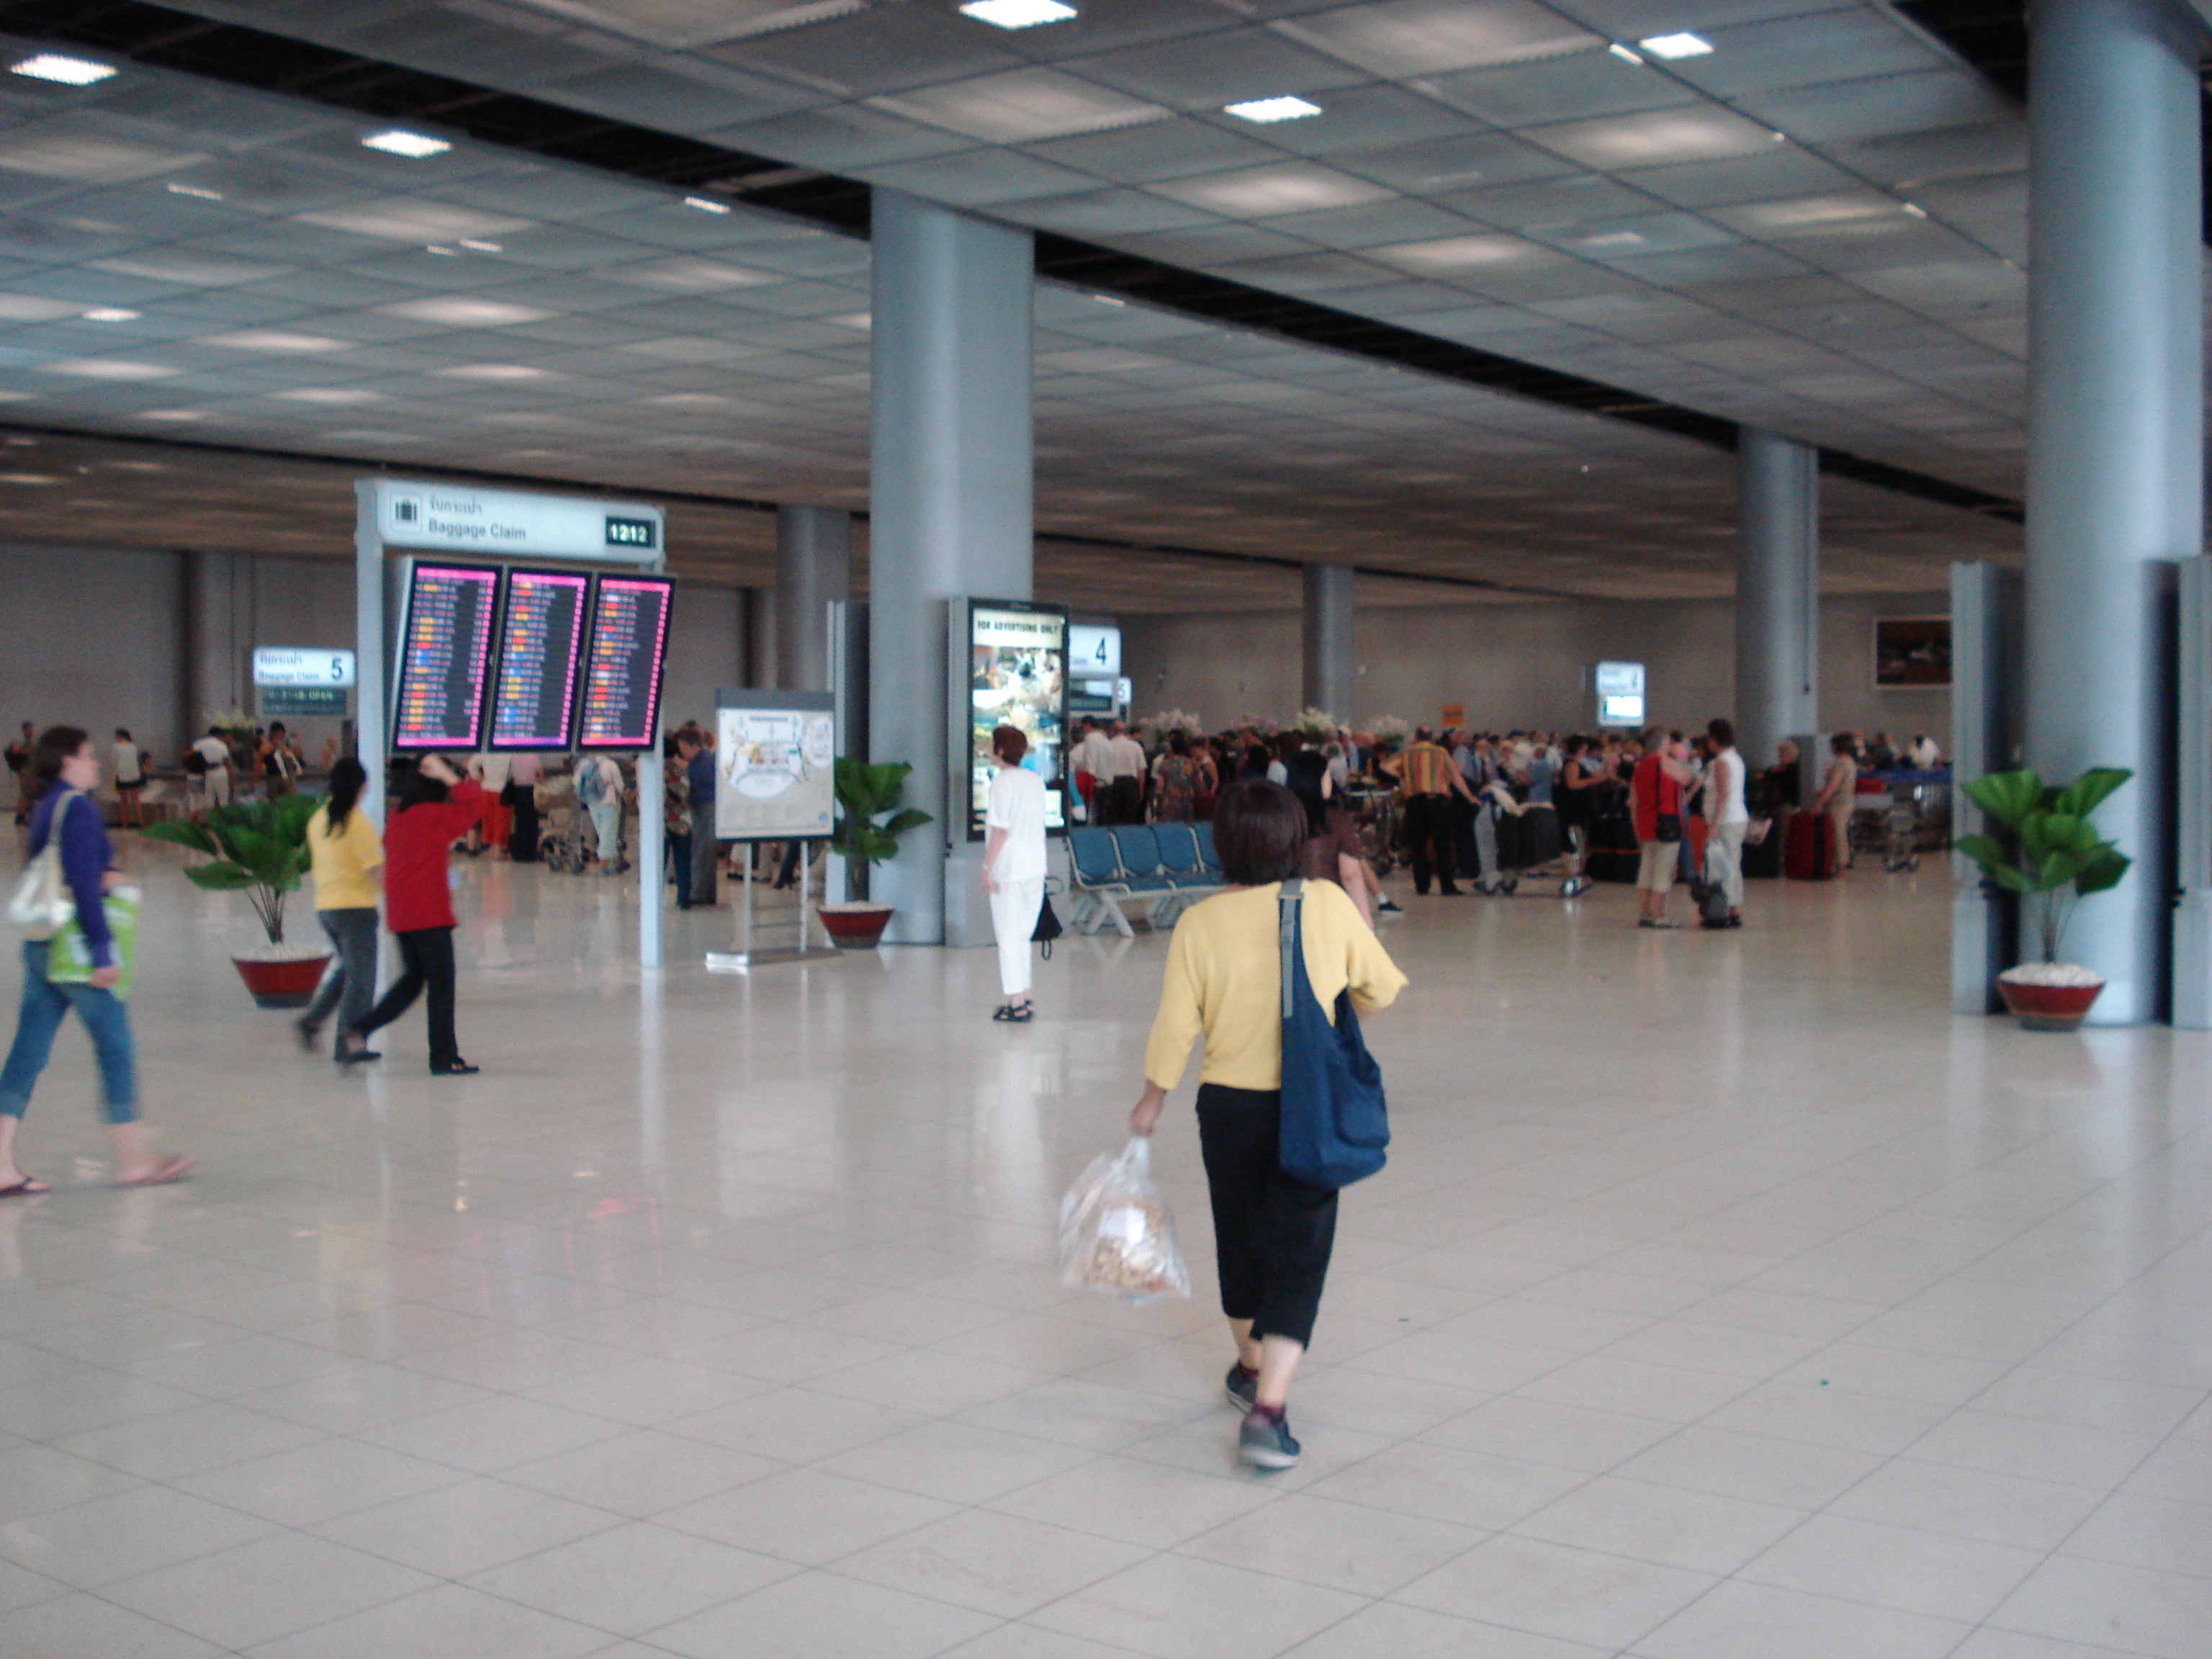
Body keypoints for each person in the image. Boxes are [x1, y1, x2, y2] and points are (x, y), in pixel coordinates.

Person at [1130, 781, 1406, 1470]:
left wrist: (1151, 1099)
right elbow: (1382, 987)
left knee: (1242, 1239)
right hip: (1307, 1104)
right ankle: (1269, 1410)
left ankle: (1250, 1368)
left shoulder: (1199, 923)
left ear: (1222, 844)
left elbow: (1176, 1025)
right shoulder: (1324, 904)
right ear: (1293, 840)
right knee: (1300, 1250)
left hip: (1228, 1108)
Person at [0, 727, 192, 1192]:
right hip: (77, 951)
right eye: (89, 757)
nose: (97, 765)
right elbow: (83, 886)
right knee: (116, 1049)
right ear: (67, 761)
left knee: (28, 1052)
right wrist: (103, 951)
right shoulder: (80, 810)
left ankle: (1, 1162)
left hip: (43, 946)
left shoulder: (48, 807)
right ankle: (133, 1161)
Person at [341, 755, 482, 1075]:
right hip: (429, 914)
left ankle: (360, 1029)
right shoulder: (431, 815)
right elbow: (474, 807)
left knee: (413, 981)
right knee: (442, 987)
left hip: (403, 914)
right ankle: (444, 1057)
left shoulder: (398, 818)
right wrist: (449, 775)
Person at [296, 757, 382, 1062]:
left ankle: (312, 1020)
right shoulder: (356, 821)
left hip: (327, 909)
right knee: (362, 980)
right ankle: (347, 1045)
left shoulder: (318, 819)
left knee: (349, 970)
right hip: (356, 909)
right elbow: (374, 869)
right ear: (360, 786)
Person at [981, 724, 1048, 1022]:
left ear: (999, 750)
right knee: (1022, 936)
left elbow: (1000, 831)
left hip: (1008, 868)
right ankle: (1026, 997)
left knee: (1008, 937)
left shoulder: (1001, 783)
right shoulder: (1035, 781)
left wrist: (986, 868)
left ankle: (1016, 1002)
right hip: (1035, 866)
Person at [1398, 727, 1476, 896]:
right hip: (1438, 802)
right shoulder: (1440, 752)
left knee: (1418, 846)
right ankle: (1447, 886)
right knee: (1443, 845)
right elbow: (1455, 775)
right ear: (1431, 737)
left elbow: (1387, 767)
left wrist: (1405, 778)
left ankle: (1422, 886)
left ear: (1416, 737)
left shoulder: (1406, 753)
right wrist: (1469, 796)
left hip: (1414, 802)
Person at [1631, 727, 1695, 928]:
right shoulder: (1666, 762)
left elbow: (1633, 801)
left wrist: (1636, 829)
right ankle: (1659, 914)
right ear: (1661, 743)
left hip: (1645, 822)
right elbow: (1687, 779)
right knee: (1663, 871)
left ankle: (1645, 912)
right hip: (1666, 821)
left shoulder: (1639, 766)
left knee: (1647, 869)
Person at [1703, 719, 1748, 930]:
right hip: (1736, 818)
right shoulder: (1735, 758)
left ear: (1714, 739)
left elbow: (1723, 794)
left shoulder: (1722, 761)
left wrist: (1714, 823)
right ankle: (1733, 908)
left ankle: (1727, 909)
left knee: (1724, 867)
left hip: (1726, 820)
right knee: (1731, 863)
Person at [680, 725, 716, 907]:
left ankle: (699, 893)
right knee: (706, 852)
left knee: (701, 851)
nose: (681, 751)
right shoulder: (705, 760)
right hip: (705, 808)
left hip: (703, 808)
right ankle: (707, 892)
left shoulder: (701, 764)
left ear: (690, 745)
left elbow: (697, 789)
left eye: (683, 747)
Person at [1815, 732, 1860, 871]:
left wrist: (1820, 802)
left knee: (1837, 833)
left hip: (1839, 803)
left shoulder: (1841, 763)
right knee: (1841, 832)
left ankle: (1841, 864)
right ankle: (1841, 863)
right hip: (1847, 801)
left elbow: (1833, 786)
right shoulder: (1850, 762)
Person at [577, 752, 624, 873]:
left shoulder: (583, 764)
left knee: (600, 830)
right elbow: (619, 785)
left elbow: (576, 783)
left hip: (592, 801)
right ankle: (604, 863)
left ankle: (607, 860)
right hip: (609, 800)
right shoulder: (610, 764)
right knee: (608, 831)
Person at [662, 733, 693, 909]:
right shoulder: (680, 771)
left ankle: (654, 898)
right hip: (682, 822)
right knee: (683, 862)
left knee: (660, 862)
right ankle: (683, 899)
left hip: (661, 823)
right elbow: (686, 793)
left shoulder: (654, 771)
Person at [1151, 733, 1202, 822]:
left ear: (1172, 748)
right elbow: (1199, 784)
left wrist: (1157, 806)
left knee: (1170, 830)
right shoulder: (1192, 763)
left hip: (1170, 803)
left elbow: (1160, 786)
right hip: (1187, 803)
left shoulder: (1166, 763)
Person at [1104, 721, 1146, 825]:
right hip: (1130, 784)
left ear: (1112, 731)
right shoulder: (1136, 746)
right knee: (1129, 817)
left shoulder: (1108, 746)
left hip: (1113, 784)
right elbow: (1141, 771)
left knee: (1113, 817)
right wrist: (1140, 790)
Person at [505, 750, 542, 863]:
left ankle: (518, 852)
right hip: (530, 791)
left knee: (519, 822)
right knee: (531, 823)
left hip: (517, 792)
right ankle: (529, 853)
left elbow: (509, 775)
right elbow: (540, 775)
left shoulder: (513, 757)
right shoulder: (534, 757)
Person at [109, 728, 145, 829]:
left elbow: (113, 762)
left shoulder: (116, 747)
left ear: (120, 736)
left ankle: (125, 824)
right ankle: (141, 822)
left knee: (124, 801)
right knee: (136, 800)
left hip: (122, 776)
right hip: (134, 776)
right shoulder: (133, 747)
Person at [191, 727, 233, 811]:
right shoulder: (221, 744)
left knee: (209, 799)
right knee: (223, 799)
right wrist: (231, 775)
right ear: (218, 735)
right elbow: (226, 761)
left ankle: (211, 819)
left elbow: (192, 756)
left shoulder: (198, 743)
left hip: (206, 772)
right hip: (220, 771)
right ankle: (224, 819)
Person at [6, 722, 32, 825]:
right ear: (25, 730)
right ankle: (21, 816)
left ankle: (23, 815)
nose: (31, 731)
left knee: (27, 793)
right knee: (25, 793)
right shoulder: (21, 742)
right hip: (22, 771)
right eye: (29, 729)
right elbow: (16, 751)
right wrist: (26, 750)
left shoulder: (29, 742)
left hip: (27, 771)